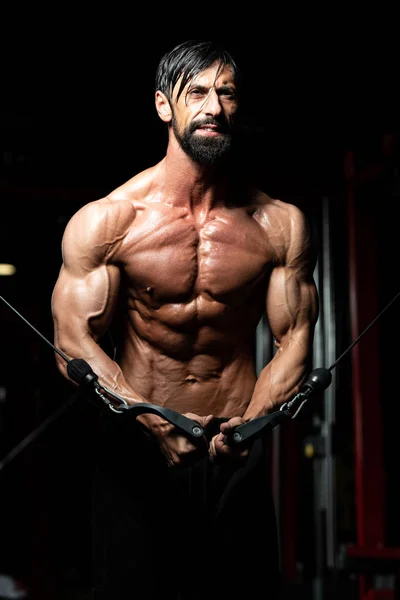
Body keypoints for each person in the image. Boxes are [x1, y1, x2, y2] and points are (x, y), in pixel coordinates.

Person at [51, 39, 319, 600]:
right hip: (138, 457)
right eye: (196, 91)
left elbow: (294, 338)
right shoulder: (108, 222)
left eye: (226, 93)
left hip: (236, 459)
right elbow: (73, 341)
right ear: (162, 106)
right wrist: (152, 423)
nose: (214, 108)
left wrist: (254, 422)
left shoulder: (279, 225)